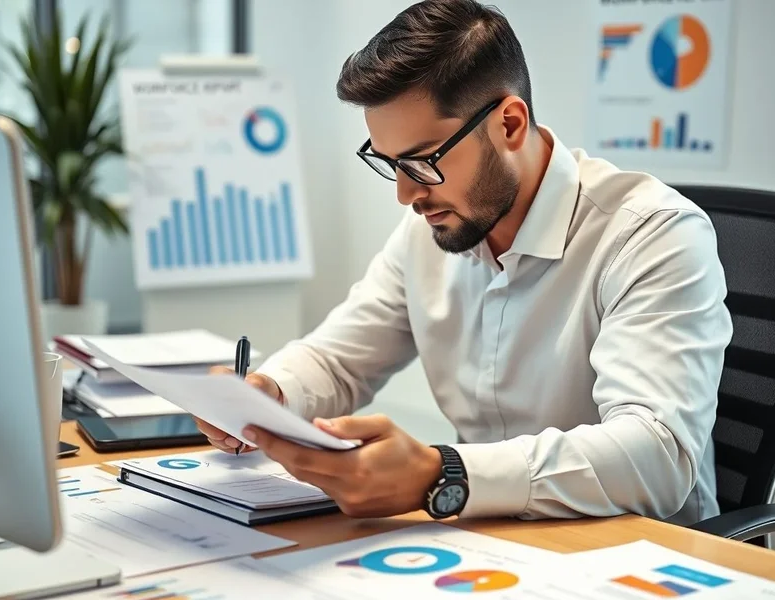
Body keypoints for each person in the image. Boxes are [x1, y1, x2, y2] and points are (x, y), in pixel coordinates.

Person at [196, 0, 733, 524]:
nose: (406, 194)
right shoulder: (429, 230)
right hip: (484, 539)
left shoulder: (650, 235)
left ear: (510, 124)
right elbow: (339, 360)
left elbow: (659, 456)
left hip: (637, 554)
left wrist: (443, 472)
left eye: (423, 161)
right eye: (389, 164)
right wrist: (269, 393)